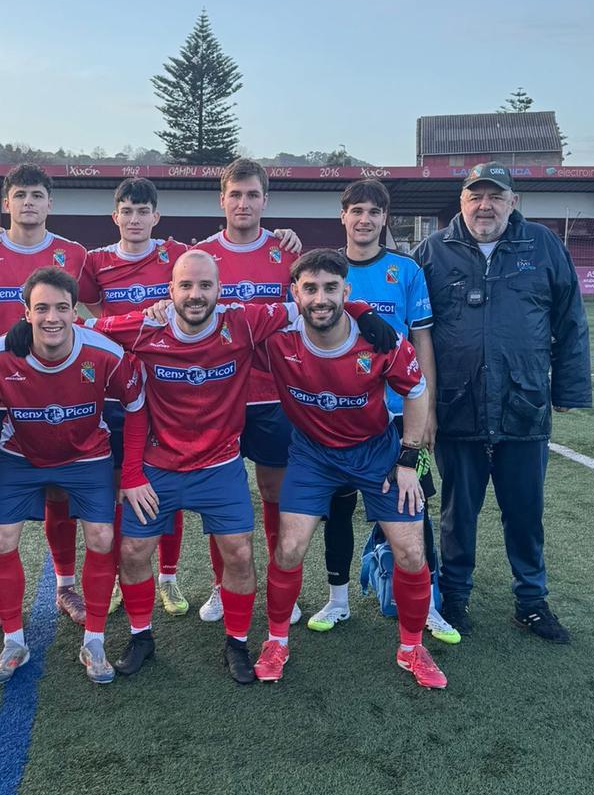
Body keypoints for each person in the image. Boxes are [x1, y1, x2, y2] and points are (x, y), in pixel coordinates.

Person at [96, 250, 396, 683]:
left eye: (205, 286)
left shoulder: (242, 321)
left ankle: (236, 642)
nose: (196, 295)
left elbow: (313, 302)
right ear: (170, 291)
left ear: (221, 290)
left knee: (238, 554)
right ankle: (141, 635)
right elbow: (78, 325)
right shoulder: (146, 324)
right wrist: (19, 331)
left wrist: (362, 311)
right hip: (159, 466)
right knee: (133, 551)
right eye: (186, 286)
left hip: (220, 465)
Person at [413, 164, 592, 642]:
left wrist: (569, 389)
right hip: (457, 406)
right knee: (457, 512)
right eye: (476, 196)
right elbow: (412, 331)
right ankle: (454, 597)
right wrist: (414, 404)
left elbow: (570, 318)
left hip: (523, 404)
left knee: (525, 511)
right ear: (462, 201)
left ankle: (531, 602)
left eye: (496, 196)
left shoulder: (544, 246)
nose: (485, 205)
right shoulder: (432, 251)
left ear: (513, 201)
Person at [257, 249, 445, 688]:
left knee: (412, 552)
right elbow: (218, 318)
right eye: (310, 289)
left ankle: (412, 648)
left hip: (376, 451)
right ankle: (277, 641)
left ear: (347, 290)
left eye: (330, 288)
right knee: (288, 549)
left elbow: (416, 391)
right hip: (312, 454)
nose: (320, 298)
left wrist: (408, 458)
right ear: (295, 293)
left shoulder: (381, 338)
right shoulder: (276, 332)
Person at [0, 267, 147, 686]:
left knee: (102, 538)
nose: (51, 318)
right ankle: (14, 642)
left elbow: (137, 405)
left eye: (60, 308)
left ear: (75, 311)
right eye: (41, 308)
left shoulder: (105, 353)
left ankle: (94, 641)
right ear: (26, 313)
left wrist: (130, 473)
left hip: (87, 455)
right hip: (21, 456)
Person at [308, 179, 457, 645]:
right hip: (339, 413)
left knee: (416, 505)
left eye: (374, 211)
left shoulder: (406, 269)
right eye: (356, 211)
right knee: (339, 507)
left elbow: (422, 339)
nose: (365, 219)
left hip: (398, 415)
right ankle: (337, 600)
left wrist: (426, 405)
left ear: (384, 218)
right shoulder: (325, 270)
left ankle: (428, 603)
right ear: (343, 216)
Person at [0, 164, 89, 631]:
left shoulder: (74, 254)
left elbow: (91, 310)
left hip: (60, 388)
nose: (28, 202)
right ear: (6, 202)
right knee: (2, 491)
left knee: (59, 490)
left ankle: (66, 585)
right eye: (20, 195)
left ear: (49, 203)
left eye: (37, 195)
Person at [192, 159, 304, 626]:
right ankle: (222, 587)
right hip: (219, 396)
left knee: (275, 491)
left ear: (265, 200)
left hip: (274, 394)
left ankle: (283, 588)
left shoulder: (286, 252)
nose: (243, 203)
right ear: (222, 199)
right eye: (235, 194)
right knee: (221, 495)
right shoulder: (199, 254)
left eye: (252, 195)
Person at [77, 177, 192, 614]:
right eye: (127, 211)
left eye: (143, 211)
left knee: (166, 479)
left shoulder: (175, 255)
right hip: (112, 384)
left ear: (156, 217)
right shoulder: (97, 261)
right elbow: (86, 307)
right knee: (117, 482)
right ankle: (122, 574)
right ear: (115, 216)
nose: (135, 218)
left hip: (167, 383)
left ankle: (169, 576)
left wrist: (282, 235)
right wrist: (126, 323)